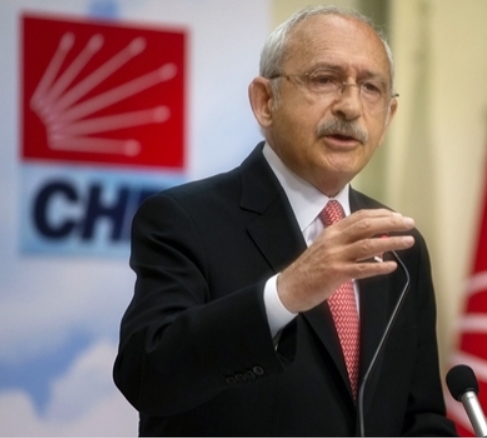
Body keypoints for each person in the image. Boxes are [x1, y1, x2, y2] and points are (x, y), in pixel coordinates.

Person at [113, 5, 457, 437]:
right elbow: (147, 374)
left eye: (371, 87)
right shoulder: (184, 219)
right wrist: (285, 294)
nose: (351, 106)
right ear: (265, 102)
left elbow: (420, 416)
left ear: (387, 118)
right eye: (325, 79)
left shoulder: (398, 244)